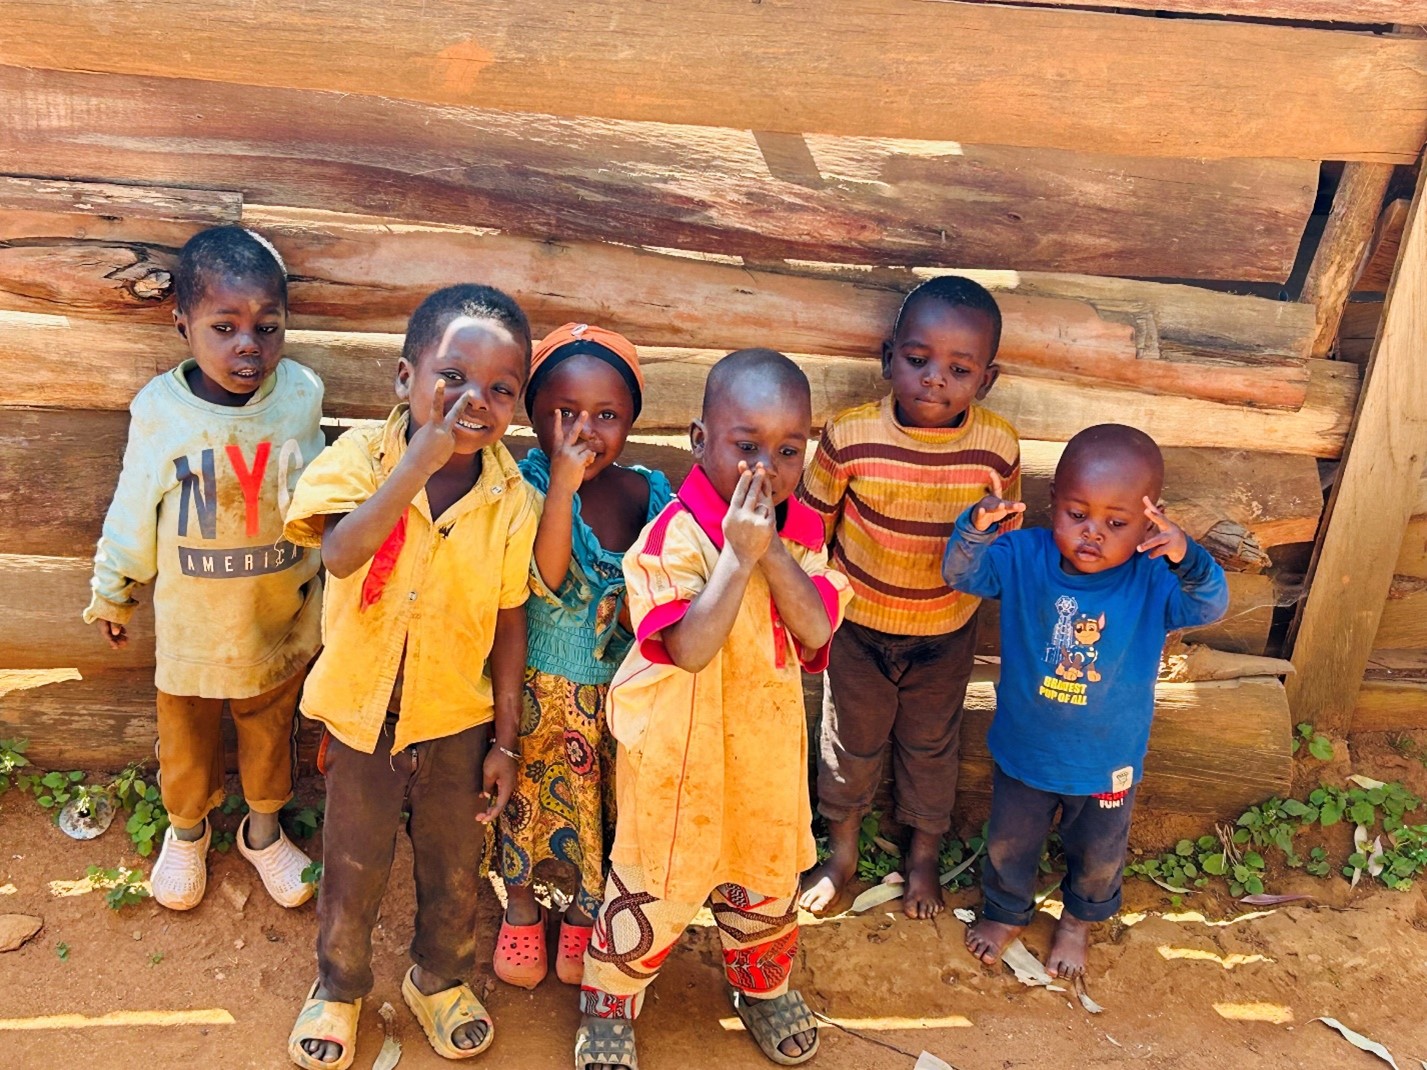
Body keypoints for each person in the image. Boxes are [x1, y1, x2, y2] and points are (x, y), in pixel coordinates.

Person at [283, 285, 537, 1069]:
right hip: (362, 714)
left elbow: (507, 622)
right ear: (404, 379)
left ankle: (439, 978)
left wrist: (505, 741)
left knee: (453, 864)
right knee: (353, 861)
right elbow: (337, 554)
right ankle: (338, 986)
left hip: (455, 719)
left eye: (500, 389)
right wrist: (418, 463)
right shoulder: (359, 458)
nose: (474, 401)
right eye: (453, 377)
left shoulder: (510, 499)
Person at [575, 349, 851, 1070]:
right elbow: (690, 649)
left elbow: (817, 629)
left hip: (762, 752)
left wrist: (768, 553)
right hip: (676, 755)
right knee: (656, 875)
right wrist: (735, 557)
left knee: (763, 865)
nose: (768, 467)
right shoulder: (670, 538)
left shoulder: (804, 536)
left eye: (789, 450)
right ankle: (608, 999)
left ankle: (760, 987)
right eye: (747, 446)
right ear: (699, 440)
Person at [83, 225, 322, 912]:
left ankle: (263, 829)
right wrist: (113, 590)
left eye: (266, 327)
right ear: (182, 323)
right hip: (192, 627)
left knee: (271, 731)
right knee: (185, 738)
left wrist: (326, 583)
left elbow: (320, 489)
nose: (248, 345)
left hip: (276, 614)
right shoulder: (162, 412)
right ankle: (186, 833)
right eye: (224, 326)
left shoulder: (301, 393)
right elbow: (133, 509)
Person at [942, 423, 1228, 980]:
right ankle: (1005, 914)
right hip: (1026, 751)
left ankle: (1077, 919)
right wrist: (974, 532)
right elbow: (962, 572)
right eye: (1078, 515)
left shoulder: (1153, 579)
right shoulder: (1024, 555)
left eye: (1116, 523)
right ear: (1055, 504)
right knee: (1008, 843)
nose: (1093, 533)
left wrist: (1187, 556)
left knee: (1099, 853)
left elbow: (1210, 604)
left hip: (1106, 762)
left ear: (1151, 520)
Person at [797, 276, 1020, 920]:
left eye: (959, 368)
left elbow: (1001, 543)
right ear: (887, 357)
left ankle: (922, 856)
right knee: (851, 742)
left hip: (947, 630)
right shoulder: (851, 437)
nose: (934, 380)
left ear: (988, 378)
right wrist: (811, 608)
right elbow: (813, 528)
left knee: (931, 745)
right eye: (918, 360)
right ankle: (840, 853)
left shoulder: (996, 449)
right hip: (858, 626)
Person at [493, 323, 672, 989]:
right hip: (541, 694)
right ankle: (517, 909)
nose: (584, 431)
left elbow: (668, 576)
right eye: (564, 413)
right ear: (534, 415)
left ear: (630, 422)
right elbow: (548, 573)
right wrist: (563, 490)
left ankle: (580, 918)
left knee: (601, 813)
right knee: (531, 808)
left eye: (606, 415)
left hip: (618, 696)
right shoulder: (528, 485)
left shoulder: (646, 492)